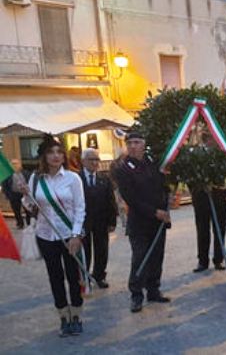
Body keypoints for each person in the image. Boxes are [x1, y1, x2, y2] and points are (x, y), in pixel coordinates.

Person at [21, 135, 85, 337]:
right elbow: (31, 207)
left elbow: (80, 208)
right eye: (51, 152)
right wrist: (25, 195)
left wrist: (75, 235)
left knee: (73, 277)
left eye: (59, 152)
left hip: (68, 234)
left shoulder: (73, 178)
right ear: (44, 156)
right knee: (55, 277)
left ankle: (76, 315)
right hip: (45, 235)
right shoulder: (36, 178)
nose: (56, 156)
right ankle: (63, 317)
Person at [114, 132, 171, 313]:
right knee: (140, 258)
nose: (132, 146)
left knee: (156, 257)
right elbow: (132, 199)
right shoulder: (123, 169)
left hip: (158, 222)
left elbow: (162, 185)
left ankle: (153, 290)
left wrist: (168, 197)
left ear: (144, 144)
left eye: (136, 142)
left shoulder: (153, 163)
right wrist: (155, 212)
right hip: (139, 222)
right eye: (129, 143)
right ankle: (136, 295)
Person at [79, 148, 118, 289]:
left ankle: (99, 275)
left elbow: (111, 200)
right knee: (85, 250)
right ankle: (85, 276)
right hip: (83, 222)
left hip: (101, 221)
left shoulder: (104, 179)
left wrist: (112, 221)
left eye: (97, 159)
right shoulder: (76, 179)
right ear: (83, 161)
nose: (95, 162)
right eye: (91, 159)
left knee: (102, 249)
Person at [190, 182, 226, 273]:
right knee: (202, 230)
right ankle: (202, 261)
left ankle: (219, 259)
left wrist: (216, 185)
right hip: (200, 197)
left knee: (219, 229)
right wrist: (198, 186)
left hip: (218, 196)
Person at [2, 159, 32, 229]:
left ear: (20, 165)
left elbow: (31, 182)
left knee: (28, 210)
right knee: (16, 211)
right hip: (14, 195)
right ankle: (20, 223)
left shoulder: (26, 173)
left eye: (16, 164)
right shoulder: (7, 175)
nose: (14, 165)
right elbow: (5, 186)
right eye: (12, 164)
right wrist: (8, 195)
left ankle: (29, 223)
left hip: (25, 195)